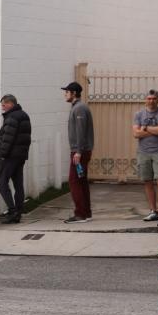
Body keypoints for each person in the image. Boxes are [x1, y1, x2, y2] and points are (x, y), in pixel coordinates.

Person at [133, 89, 158, 221]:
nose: (151, 101)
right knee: (147, 181)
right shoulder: (139, 114)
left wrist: (146, 128)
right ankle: (152, 211)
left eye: (154, 98)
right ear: (145, 100)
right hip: (143, 152)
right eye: (149, 98)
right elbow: (136, 134)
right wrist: (157, 130)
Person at [0, 94, 32, 224]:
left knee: (1, 182)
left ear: (11, 103)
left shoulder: (12, 117)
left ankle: (12, 211)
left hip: (9, 156)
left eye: (4, 104)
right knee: (18, 184)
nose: (2, 107)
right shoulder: (24, 115)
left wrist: (1, 154)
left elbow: (8, 138)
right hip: (20, 156)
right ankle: (18, 212)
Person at [63, 81, 94, 224]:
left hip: (79, 151)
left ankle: (80, 214)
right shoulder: (77, 107)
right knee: (81, 181)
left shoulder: (80, 108)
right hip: (80, 150)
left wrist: (78, 151)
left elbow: (81, 131)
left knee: (74, 181)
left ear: (73, 93)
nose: (65, 94)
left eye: (67, 92)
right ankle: (86, 212)